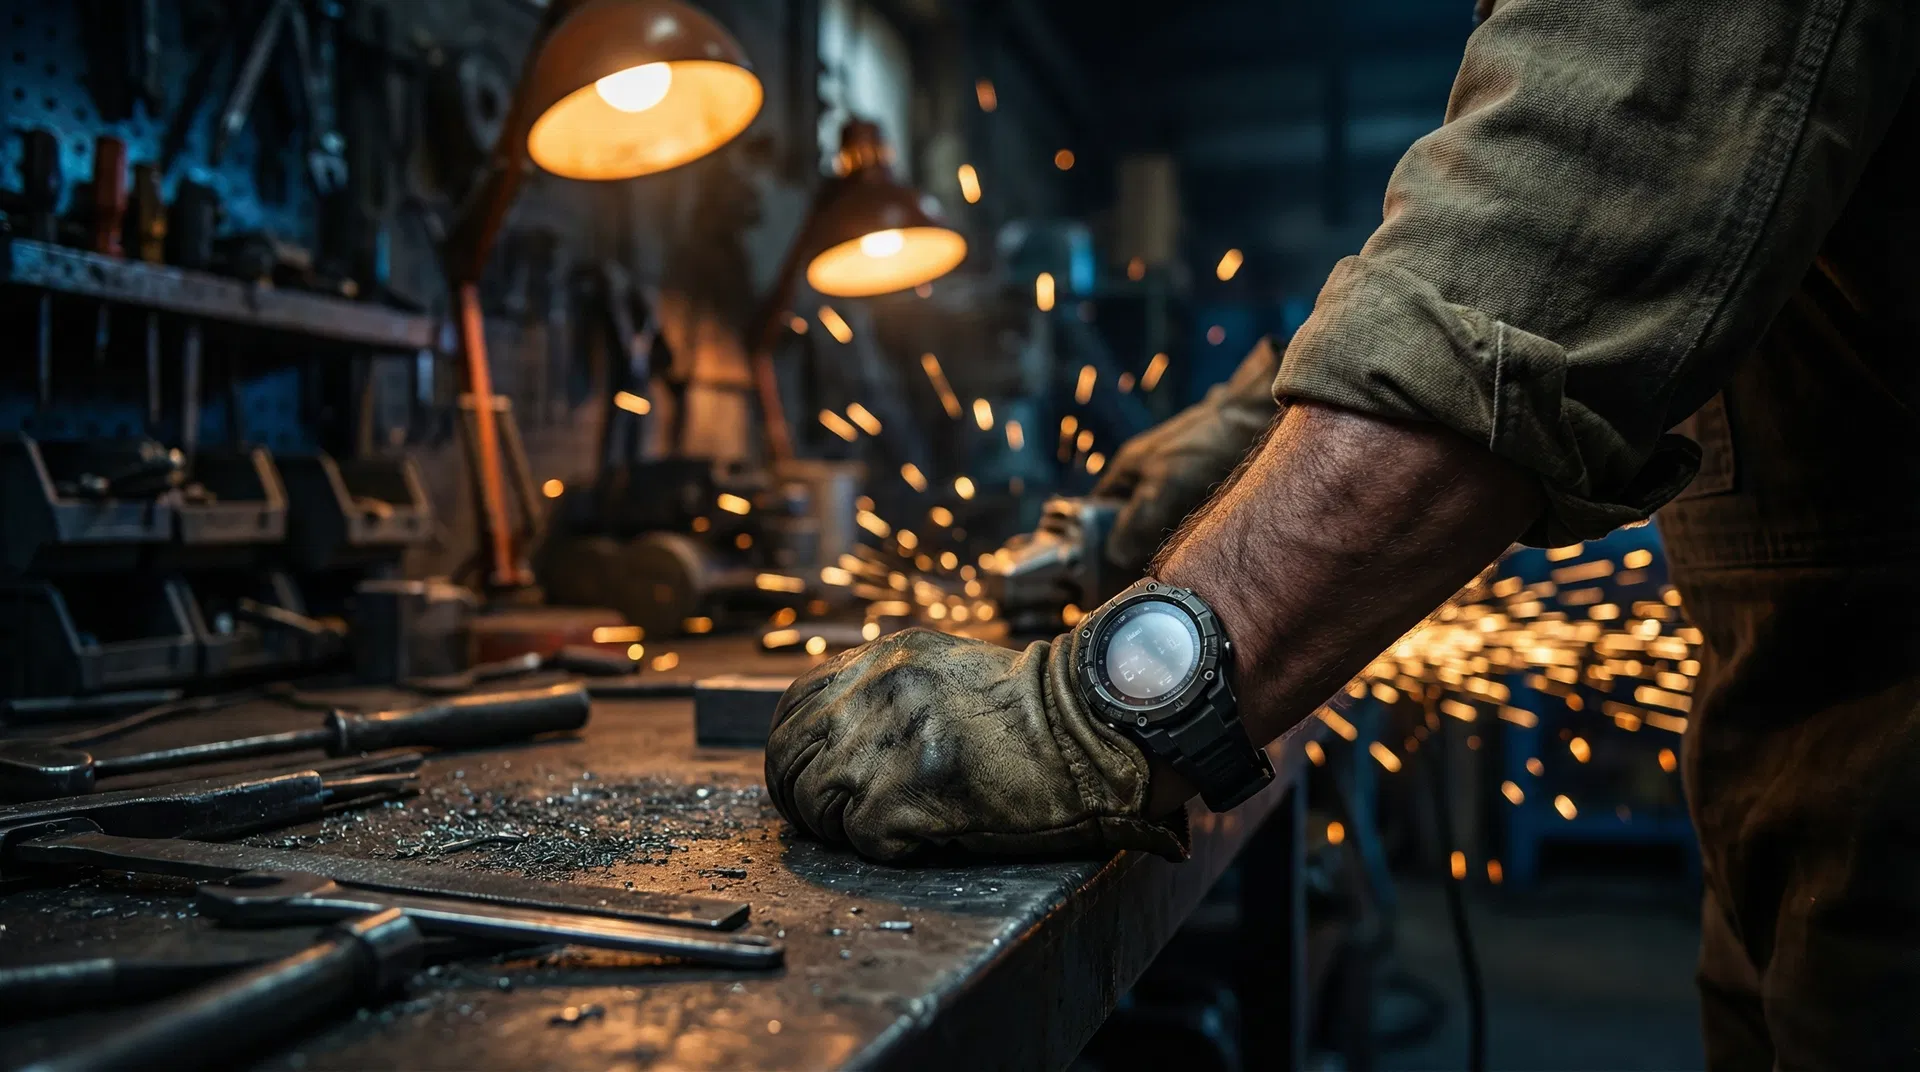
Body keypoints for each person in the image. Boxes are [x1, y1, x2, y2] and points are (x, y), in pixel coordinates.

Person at [765, 1, 1920, 1065]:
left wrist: (1084, 714)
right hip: (1800, 748)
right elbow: (1492, 215)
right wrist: (1253, 422)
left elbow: (1576, 193)